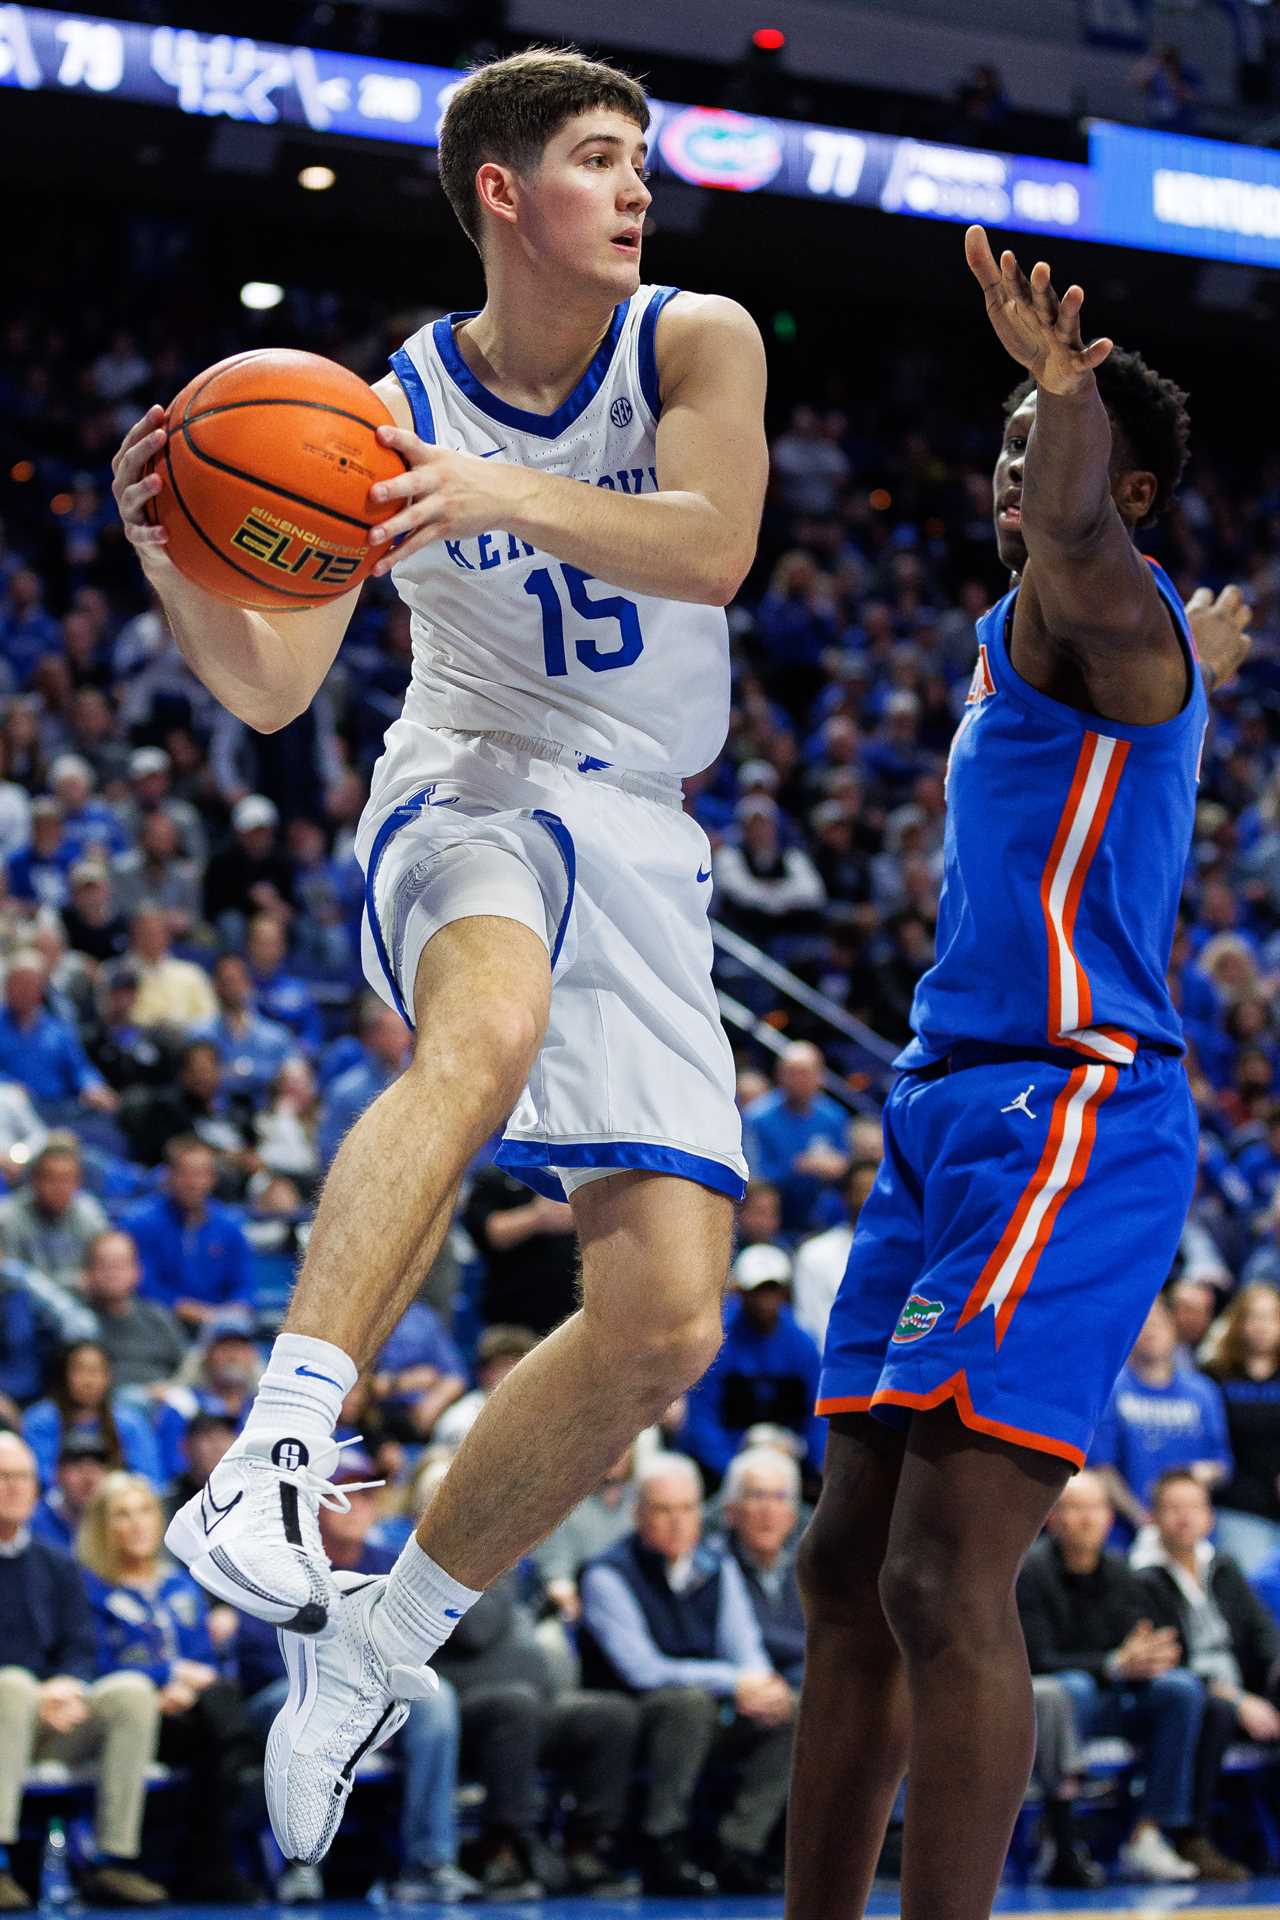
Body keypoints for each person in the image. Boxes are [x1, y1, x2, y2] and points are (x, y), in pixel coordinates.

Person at [113, 46, 768, 1873]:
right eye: (596, 159)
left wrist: (484, 491)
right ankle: (276, 1449)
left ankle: (376, 1652)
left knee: (664, 1327)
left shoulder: (698, 338)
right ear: (502, 190)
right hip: (471, 788)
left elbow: (712, 545)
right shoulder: (369, 409)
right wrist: (164, 533)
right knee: (478, 1036)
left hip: (648, 824)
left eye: (641, 160)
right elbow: (272, 687)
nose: (636, 189)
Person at [790, 224, 1253, 1920]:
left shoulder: (1101, 618)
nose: (1014, 464)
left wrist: (1070, 392)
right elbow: (1078, 554)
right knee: (844, 1563)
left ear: (1127, 498)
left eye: (1043, 438)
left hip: (1075, 1105)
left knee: (939, 1568)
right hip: (943, 1112)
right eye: (998, 433)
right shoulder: (1057, 634)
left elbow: (1076, 536)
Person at [235, 1450, 479, 1908]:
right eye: (344, 1493)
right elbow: (254, 1652)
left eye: (367, 1495)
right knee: (299, 1704)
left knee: (438, 1699)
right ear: (315, 1502)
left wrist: (372, 1692)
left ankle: (428, 1863)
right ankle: (299, 1866)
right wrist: (341, 1685)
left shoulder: (394, 1562)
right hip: (288, 1687)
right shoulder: (282, 1562)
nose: (357, 1506)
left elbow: (425, 1641)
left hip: (378, 1686)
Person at [580, 1453, 793, 1894]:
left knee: (791, 1707)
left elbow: (744, 1646)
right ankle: (663, 1843)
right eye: (663, 1510)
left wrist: (763, 1684)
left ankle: (739, 1847)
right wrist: (734, 1682)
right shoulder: (608, 1573)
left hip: (708, 1709)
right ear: (639, 1514)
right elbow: (641, 1669)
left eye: (688, 1509)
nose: (678, 1523)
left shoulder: (717, 1566)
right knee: (687, 1703)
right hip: (635, 1712)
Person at [77, 1473, 264, 1904]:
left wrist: (186, 1684)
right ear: (102, 1526)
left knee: (210, 1720)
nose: (138, 1523)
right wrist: (164, 1679)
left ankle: (208, 1862)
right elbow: (94, 1662)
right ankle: (244, 1770)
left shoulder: (181, 1584)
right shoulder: (89, 1590)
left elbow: (205, 1661)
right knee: (215, 1727)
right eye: (122, 1515)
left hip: (191, 1711)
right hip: (129, 1716)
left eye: (145, 1511)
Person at [0, 1434, 167, 1909]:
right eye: (3, 1478)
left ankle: (113, 1859)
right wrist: (36, 1692)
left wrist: (68, 1687)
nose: (14, 1488)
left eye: (23, 1478)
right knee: (10, 1686)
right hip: (7, 1705)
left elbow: (79, 1644)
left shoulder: (57, 1563)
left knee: (131, 1691)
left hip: (51, 1715)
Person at [1017, 1473, 1205, 1882]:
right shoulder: (1030, 1572)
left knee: (1181, 1689)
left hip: (1112, 1700)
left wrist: (1151, 1657)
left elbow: (1147, 1642)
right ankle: (1060, 1828)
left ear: (1108, 1518)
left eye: (1095, 1509)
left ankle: (1149, 1832)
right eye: (1074, 1508)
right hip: (1049, 1710)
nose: (1086, 1519)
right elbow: (1037, 1659)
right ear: (1051, 1518)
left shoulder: (1122, 1573)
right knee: (1073, 1688)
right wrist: (1113, 1664)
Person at [1132, 1469, 1278, 1880]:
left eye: (1194, 1507)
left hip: (1245, 1690)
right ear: (1153, 1517)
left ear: (1210, 1517)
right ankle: (1191, 1836)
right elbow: (1167, 1661)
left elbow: (1261, 1632)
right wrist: (1238, 1699)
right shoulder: (1143, 1577)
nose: (1185, 1518)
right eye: (1173, 1508)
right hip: (1196, 1698)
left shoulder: (1224, 1567)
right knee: (1210, 1706)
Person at [677, 1244, 825, 1491]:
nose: (765, 1301)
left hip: (788, 1458)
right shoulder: (717, 1343)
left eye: (772, 1290)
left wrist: (809, 1460)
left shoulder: (802, 1344)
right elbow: (702, 1418)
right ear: (742, 1293)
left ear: (784, 1293)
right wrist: (733, 1472)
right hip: (728, 1461)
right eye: (757, 1291)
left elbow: (817, 1414)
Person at [1090, 1296, 1233, 1538]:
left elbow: (1222, 1462)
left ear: (1173, 1328)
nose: (1151, 1331)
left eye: (1158, 1323)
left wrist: (1202, 1473)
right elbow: (1102, 1468)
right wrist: (1144, 1520)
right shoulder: (1111, 1390)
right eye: (1143, 1323)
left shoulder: (1202, 1391)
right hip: (1128, 1532)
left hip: (1193, 1532)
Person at [122, 1137, 254, 1330]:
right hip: (160, 1323)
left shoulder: (230, 1226)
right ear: (168, 1176)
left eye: (201, 1174)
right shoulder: (141, 1223)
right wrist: (186, 1309)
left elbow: (244, 1285)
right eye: (186, 1174)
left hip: (219, 1326)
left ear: (213, 1178)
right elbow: (143, 1285)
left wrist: (237, 1307)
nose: (194, 1183)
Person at [1203, 1282, 1280, 1574]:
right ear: (1239, 1322)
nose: (1261, 1326)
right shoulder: (1214, 1375)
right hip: (1238, 1507)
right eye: (1253, 1316)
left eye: (1270, 1317)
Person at [720, 1444, 805, 1687]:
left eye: (779, 1497)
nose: (768, 1511)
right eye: (757, 1496)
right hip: (739, 1688)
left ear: (792, 1515)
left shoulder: (809, 1565)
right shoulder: (713, 1565)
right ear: (731, 1511)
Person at [742, 1043, 850, 1234]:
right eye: (792, 1073)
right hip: (771, 1221)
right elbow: (753, 1178)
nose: (799, 1080)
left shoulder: (834, 1116)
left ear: (820, 1077)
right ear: (779, 1076)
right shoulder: (757, 1117)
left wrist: (841, 1168)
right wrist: (799, 1167)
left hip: (822, 1217)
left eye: (806, 1073)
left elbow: (845, 1166)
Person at [22, 1341, 162, 1487]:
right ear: (64, 1375)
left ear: (108, 1377)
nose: (88, 1381)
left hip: (115, 1503)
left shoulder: (130, 1422)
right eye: (80, 1370)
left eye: (96, 1371)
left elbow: (149, 1480)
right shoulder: (40, 1421)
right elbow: (37, 1478)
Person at [460, 1163, 579, 1335]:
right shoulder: (496, 1175)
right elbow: (491, 1231)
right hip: (513, 1318)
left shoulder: (579, 1171)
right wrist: (538, 1217)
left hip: (572, 1313)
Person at [0, 951, 114, 1112]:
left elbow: (79, 1068)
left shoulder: (57, 1029)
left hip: (58, 1108)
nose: (24, 990)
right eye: (18, 983)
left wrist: (92, 1086)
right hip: (11, 1111)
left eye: (30, 984)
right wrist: (7, 1087)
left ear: (41, 989)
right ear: (6, 987)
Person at [534, 1448, 636, 1625]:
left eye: (627, 1442)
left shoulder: (639, 1498)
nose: (619, 1451)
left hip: (638, 1602)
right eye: (611, 1444)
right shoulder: (564, 1505)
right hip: (587, 1609)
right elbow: (558, 1577)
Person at [0, 1135, 110, 1299]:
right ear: (34, 1180)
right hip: (29, 1312)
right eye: (51, 1179)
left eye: (66, 1179)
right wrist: (73, 1283)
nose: (59, 1187)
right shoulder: (8, 1217)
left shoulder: (89, 1213)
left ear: (78, 1182)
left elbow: (103, 1274)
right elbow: (9, 1281)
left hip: (85, 1306)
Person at [82, 1230, 186, 1395]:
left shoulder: (158, 1316)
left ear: (137, 1271)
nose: (112, 1273)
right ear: (87, 1273)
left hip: (163, 1403)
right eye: (104, 1265)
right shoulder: (79, 1323)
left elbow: (184, 1366)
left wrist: (172, 1389)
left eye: (120, 1265)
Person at [790, 1161, 878, 1352]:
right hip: (834, 1366)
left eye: (876, 1190)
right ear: (845, 1196)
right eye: (862, 1190)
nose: (869, 1198)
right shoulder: (814, 1254)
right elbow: (812, 1325)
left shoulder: (907, 1254)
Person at [124, 906, 217, 1032]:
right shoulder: (117, 972)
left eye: (156, 932)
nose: (151, 938)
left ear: (167, 936)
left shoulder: (192, 973)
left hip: (185, 1040)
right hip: (138, 1038)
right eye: (145, 932)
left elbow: (209, 1017)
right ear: (134, 936)